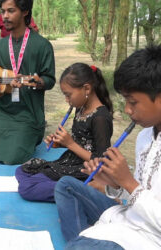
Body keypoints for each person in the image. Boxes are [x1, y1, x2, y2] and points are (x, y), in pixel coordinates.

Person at [55, 45, 161, 250]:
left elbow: (137, 193)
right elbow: (131, 199)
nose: (128, 110)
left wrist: (128, 183)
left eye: (133, 102)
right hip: (126, 220)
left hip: (148, 239)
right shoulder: (145, 137)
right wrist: (114, 184)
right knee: (66, 185)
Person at [0, 0, 55, 165]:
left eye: (11, 11)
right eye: (3, 12)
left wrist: (39, 82)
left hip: (29, 115)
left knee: (13, 156)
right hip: (3, 111)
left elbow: (50, 79)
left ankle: (26, 138)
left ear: (24, 12)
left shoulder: (42, 45)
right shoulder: (0, 45)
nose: (5, 16)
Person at [15, 63, 113, 202]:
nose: (67, 100)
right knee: (22, 170)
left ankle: (81, 190)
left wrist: (71, 144)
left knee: (27, 188)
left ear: (86, 88)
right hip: (69, 162)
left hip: (84, 170)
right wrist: (61, 143)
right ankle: (68, 189)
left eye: (68, 95)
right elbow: (82, 143)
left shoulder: (101, 117)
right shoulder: (81, 108)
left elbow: (101, 162)